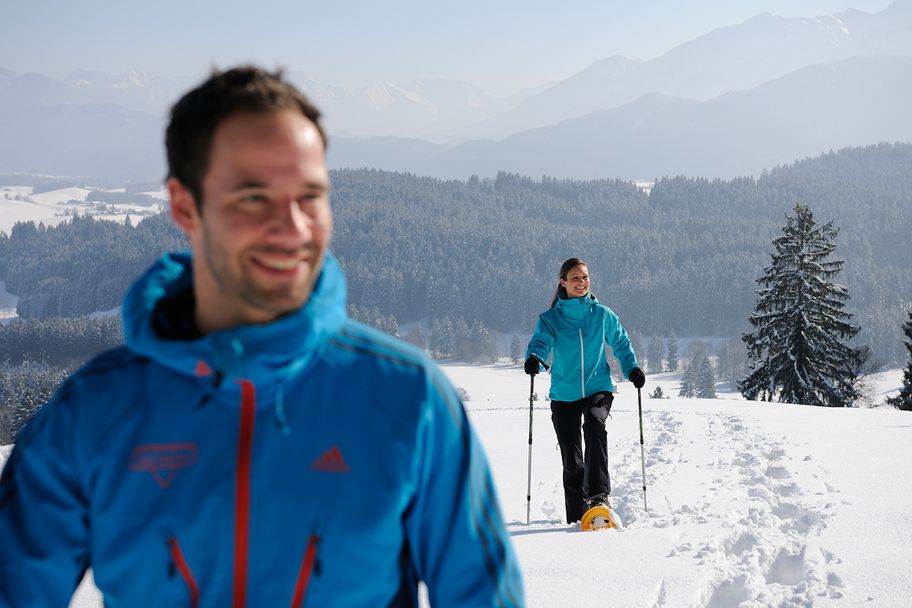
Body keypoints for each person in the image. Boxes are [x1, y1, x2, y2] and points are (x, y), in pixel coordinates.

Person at [0, 66, 523, 607]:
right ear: (184, 205)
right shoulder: (95, 412)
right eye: (254, 197)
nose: (294, 228)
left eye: (310, 196)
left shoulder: (408, 397)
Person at [524, 257, 645, 524]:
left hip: (597, 387)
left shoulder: (602, 314)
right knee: (571, 456)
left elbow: (621, 343)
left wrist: (632, 368)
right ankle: (576, 518)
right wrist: (535, 357)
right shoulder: (551, 319)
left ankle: (599, 497)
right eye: (576, 278)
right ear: (563, 282)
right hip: (564, 393)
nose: (582, 282)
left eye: (585, 277)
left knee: (594, 422)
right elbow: (540, 342)